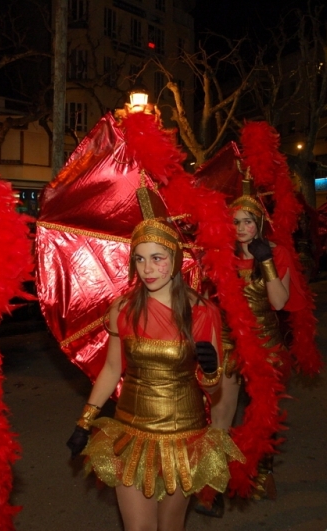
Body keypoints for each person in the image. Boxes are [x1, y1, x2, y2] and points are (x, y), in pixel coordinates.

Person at [66, 216, 243, 531]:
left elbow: (212, 392)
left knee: (170, 526)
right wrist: (85, 420)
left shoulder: (202, 312)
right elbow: (111, 368)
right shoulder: (124, 308)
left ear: (175, 259)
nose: (147, 269)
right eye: (140, 259)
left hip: (183, 436)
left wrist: (212, 372)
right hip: (130, 432)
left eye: (157, 258)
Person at [197, 186, 292, 516]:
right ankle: (215, 485)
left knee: (263, 414)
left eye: (248, 221)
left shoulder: (277, 253)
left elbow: (280, 302)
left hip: (265, 345)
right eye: (235, 221)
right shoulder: (219, 255)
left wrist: (265, 262)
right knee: (220, 416)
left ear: (259, 224)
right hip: (227, 343)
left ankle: (261, 471)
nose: (241, 228)